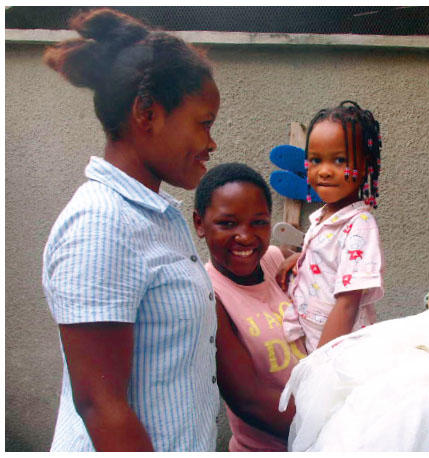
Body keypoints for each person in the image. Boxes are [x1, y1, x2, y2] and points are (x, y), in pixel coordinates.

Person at [41, 8, 221, 451]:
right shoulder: (101, 225)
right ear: (147, 113)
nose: (211, 143)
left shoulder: (157, 217)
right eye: (204, 123)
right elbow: (102, 406)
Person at [193, 163, 307, 452]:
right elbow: (248, 400)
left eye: (258, 222)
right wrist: (331, 426)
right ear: (199, 224)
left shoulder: (273, 260)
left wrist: (310, 259)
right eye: (228, 223)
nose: (245, 236)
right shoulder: (208, 295)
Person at [277, 101, 385, 354]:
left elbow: (348, 302)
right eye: (316, 160)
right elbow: (331, 258)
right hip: (310, 333)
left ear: (365, 166)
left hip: (335, 349)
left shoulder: (359, 225)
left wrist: (320, 365)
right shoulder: (324, 216)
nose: (324, 171)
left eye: (339, 160)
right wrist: (300, 257)